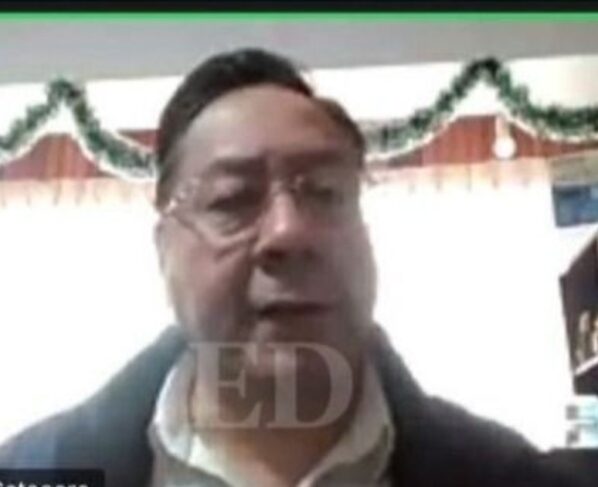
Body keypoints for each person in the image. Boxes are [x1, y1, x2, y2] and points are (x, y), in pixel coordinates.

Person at [0, 48, 587, 487]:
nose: (289, 232)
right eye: (233, 199)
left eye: (326, 193)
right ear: (164, 251)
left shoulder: (510, 477)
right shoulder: (33, 475)